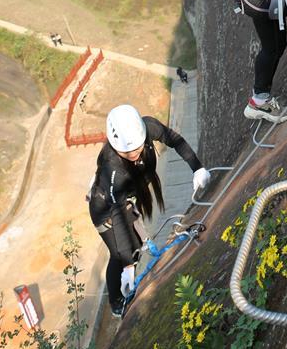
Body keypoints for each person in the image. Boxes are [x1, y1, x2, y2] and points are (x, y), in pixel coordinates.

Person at [88, 104, 210, 317]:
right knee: (118, 254)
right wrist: (127, 265)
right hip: (106, 209)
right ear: (116, 148)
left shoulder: (148, 126)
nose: (135, 154)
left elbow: (175, 140)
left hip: (126, 196)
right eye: (128, 151)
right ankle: (116, 302)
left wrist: (197, 168)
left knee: (134, 248)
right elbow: (118, 216)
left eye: (138, 147)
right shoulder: (113, 169)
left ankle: (129, 265)